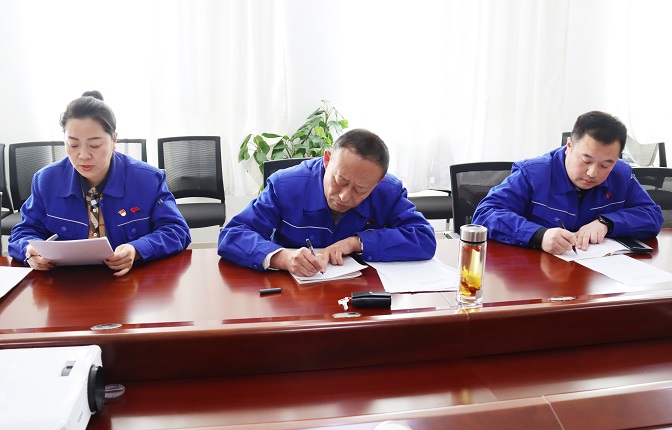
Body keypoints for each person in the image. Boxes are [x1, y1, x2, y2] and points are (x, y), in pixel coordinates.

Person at [8, 91, 191, 276]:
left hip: (129, 281)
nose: (83, 155)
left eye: (94, 145)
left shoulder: (148, 179)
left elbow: (176, 230)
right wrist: (29, 251)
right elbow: (23, 232)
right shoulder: (46, 181)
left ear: (114, 140)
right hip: (65, 282)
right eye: (73, 145)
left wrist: (137, 249)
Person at [218, 128, 436, 276]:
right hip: (291, 294)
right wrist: (283, 258)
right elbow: (233, 234)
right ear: (327, 160)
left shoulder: (389, 191)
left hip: (360, 295)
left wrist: (357, 242)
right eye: (340, 180)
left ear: (378, 182)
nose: (345, 196)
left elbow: (424, 238)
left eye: (361, 189)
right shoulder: (285, 185)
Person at [472, 110, 663, 254]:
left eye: (606, 165)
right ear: (569, 146)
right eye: (585, 160)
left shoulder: (621, 174)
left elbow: (652, 215)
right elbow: (485, 214)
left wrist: (607, 223)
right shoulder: (533, 173)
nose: (592, 173)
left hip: (595, 276)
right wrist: (538, 235)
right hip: (536, 275)